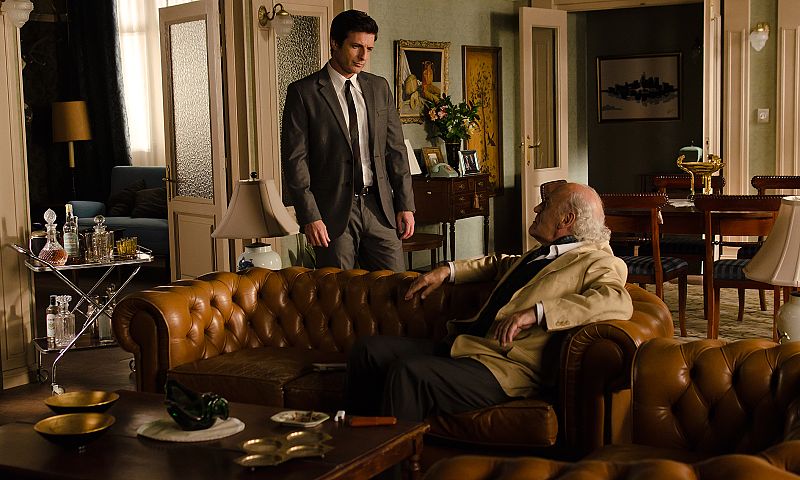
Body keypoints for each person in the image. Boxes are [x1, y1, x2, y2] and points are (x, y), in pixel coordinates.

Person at [345, 182, 633, 421]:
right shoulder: (547, 253)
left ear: (566, 220)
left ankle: (387, 463)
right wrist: (447, 270)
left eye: (545, 205)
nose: (536, 209)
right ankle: (357, 444)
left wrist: (538, 312)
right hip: (470, 347)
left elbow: (616, 300)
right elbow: (499, 263)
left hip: (507, 367)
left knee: (407, 374)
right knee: (367, 350)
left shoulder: (599, 261)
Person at [282, 10, 415, 272]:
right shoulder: (303, 92)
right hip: (332, 214)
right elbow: (295, 161)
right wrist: (310, 216)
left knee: (396, 288)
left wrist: (405, 205)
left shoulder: (379, 87)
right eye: (356, 46)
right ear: (335, 43)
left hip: (379, 208)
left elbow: (395, 150)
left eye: (369, 48)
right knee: (339, 291)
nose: (364, 56)